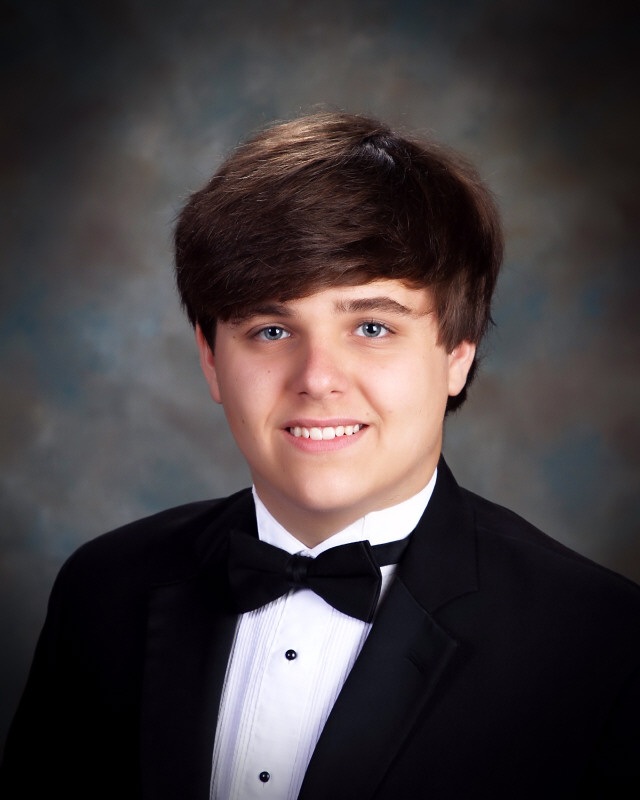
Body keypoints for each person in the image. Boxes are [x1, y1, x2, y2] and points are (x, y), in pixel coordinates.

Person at [1, 112, 639, 800]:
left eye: (372, 327)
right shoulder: (103, 589)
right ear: (211, 358)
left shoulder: (601, 639)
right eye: (272, 330)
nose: (317, 379)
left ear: (458, 354)